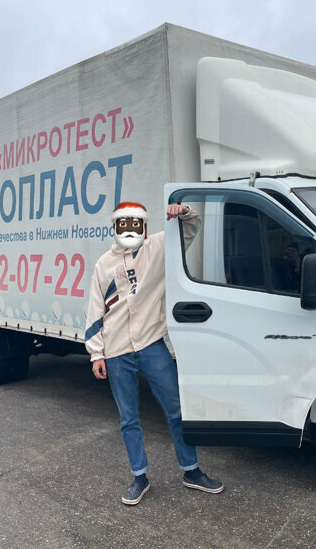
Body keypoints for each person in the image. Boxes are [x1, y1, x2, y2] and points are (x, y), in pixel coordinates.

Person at [84, 200, 224, 505]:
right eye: (123, 224)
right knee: (128, 418)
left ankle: (191, 471)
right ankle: (139, 477)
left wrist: (184, 212)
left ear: (143, 227)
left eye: (135, 223)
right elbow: (94, 312)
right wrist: (96, 354)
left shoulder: (157, 247)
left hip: (151, 345)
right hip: (116, 350)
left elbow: (190, 230)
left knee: (176, 409)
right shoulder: (104, 265)